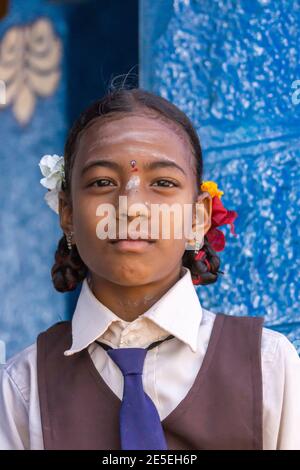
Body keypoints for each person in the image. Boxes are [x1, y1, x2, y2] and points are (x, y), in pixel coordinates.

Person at [0, 86, 300, 450]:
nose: (132, 206)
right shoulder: (22, 388)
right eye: (102, 182)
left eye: (162, 183)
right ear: (68, 214)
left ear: (197, 217)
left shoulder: (269, 367)